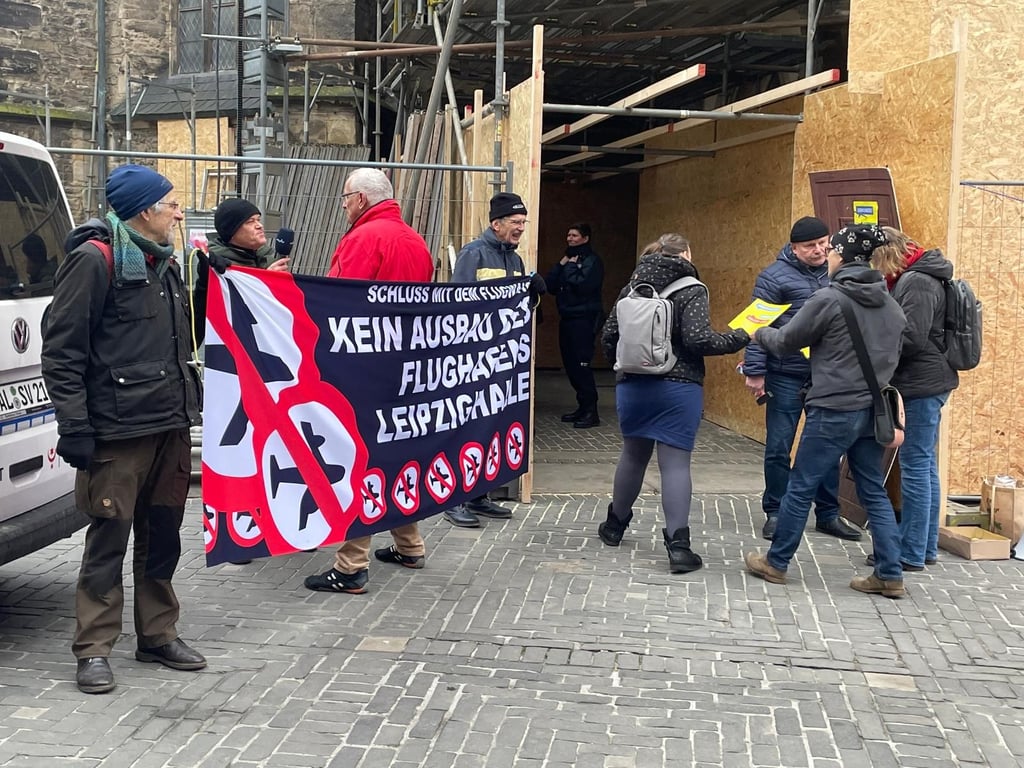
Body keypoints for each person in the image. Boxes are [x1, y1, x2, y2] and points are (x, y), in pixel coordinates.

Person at [40, 164, 205, 694]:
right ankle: (93, 648)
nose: (179, 212)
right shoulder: (95, 260)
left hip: (169, 425)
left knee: (163, 539)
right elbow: (62, 352)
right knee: (108, 540)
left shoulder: (167, 264)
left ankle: (157, 634)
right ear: (144, 211)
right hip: (118, 432)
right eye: (172, 203)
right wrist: (75, 425)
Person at [744, 224, 908, 598]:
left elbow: (786, 341)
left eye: (831, 250)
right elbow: (899, 353)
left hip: (833, 408)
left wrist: (759, 333)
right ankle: (890, 572)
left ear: (842, 256)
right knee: (872, 489)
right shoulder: (890, 304)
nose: (827, 256)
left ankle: (777, 562)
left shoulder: (829, 298)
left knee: (801, 486)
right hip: (872, 409)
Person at [304, 167, 434, 595]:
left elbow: (342, 305)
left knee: (361, 459)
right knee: (396, 450)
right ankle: (409, 544)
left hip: (364, 371)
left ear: (360, 199)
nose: (342, 206)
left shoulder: (361, 239)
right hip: (405, 369)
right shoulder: (415, 240)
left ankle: (350, 565)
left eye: (344, 198)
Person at [599, 233, 749, 573]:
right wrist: (740, 336)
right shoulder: (691, 288)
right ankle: (678, 548)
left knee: (633, 456)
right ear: (686, 253)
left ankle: (614, 527)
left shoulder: (632, 287)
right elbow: (698, 339)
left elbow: (609, 335)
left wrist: (624, 372)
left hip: (633, 386)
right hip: (677, 386)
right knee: (675, 465)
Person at [741, 216, 861, 543]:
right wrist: (755, 370)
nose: (819, 251)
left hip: (826, 377)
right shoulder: (774, 277)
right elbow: (756, 325)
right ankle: (775, 510)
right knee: (780, 445)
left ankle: (828, 513)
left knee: (825, 446)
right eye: (810, 246)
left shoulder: (838, 273)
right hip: (785, 375)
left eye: (824, 244)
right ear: (793, 248)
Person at [442, 191, 538, 528]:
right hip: (472, 361)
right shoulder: (473, 254)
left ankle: (479, 493)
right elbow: (458, 306)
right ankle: (454, 498)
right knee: (466, 428)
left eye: (523, 222)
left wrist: (531, 294)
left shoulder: (514, 260)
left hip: (500, 360)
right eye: (515, 222)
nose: (521, 228)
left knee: (488, 427)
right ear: (496, 224)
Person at [867, 227, 959, 571]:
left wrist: (876, 358)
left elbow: (912, 337)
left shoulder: (917, 281)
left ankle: (910, 551)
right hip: (929, 379)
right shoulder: (920, 275)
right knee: (924, 464)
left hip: (922, 382)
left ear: (888, 253)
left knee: (916, 465)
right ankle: (924, 547)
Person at [192, 198, 290, 348]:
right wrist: (264, 283)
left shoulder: (269, 258)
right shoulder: (218, 267)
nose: (259, 226)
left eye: (258, 220)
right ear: (231, 231)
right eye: (250, 222)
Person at [545, 222, 605, 428]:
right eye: (568, 235)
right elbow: (550, 285)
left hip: (584, 320)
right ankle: (582, 406)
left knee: (581, 365)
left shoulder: (592, 261)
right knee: (570, 365)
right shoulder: (568, 259)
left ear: (585, 238)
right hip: (568, 319)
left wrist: (569, 266)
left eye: (575, 235)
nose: (570, 238)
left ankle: (591, 411)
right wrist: (562, 264)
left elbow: (582, 285)